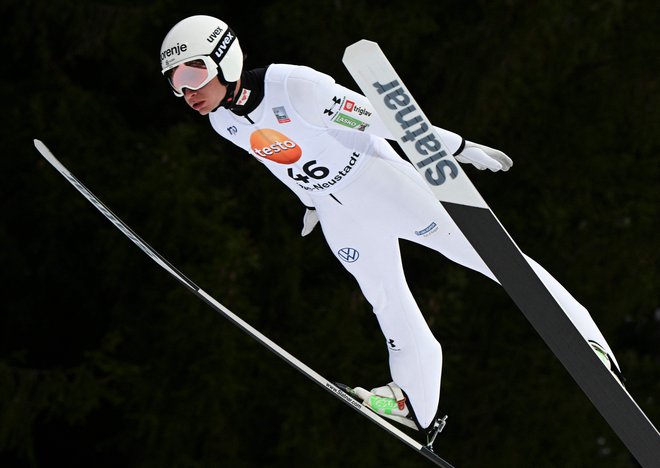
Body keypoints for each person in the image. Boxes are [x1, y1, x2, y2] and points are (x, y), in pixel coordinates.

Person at [160, 15, 623, 433]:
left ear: (225, 59)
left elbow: (378, 119)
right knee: (386, 300)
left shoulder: (294, 87)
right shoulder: (223, 122)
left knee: (493, 259)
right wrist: (311, 203)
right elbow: (282, 161)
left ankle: (585, 340)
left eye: (192, 73)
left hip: (383, 186)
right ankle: (414, 401)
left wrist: (456, 147)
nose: (187, 91)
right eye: (175, 83)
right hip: (340, 214)